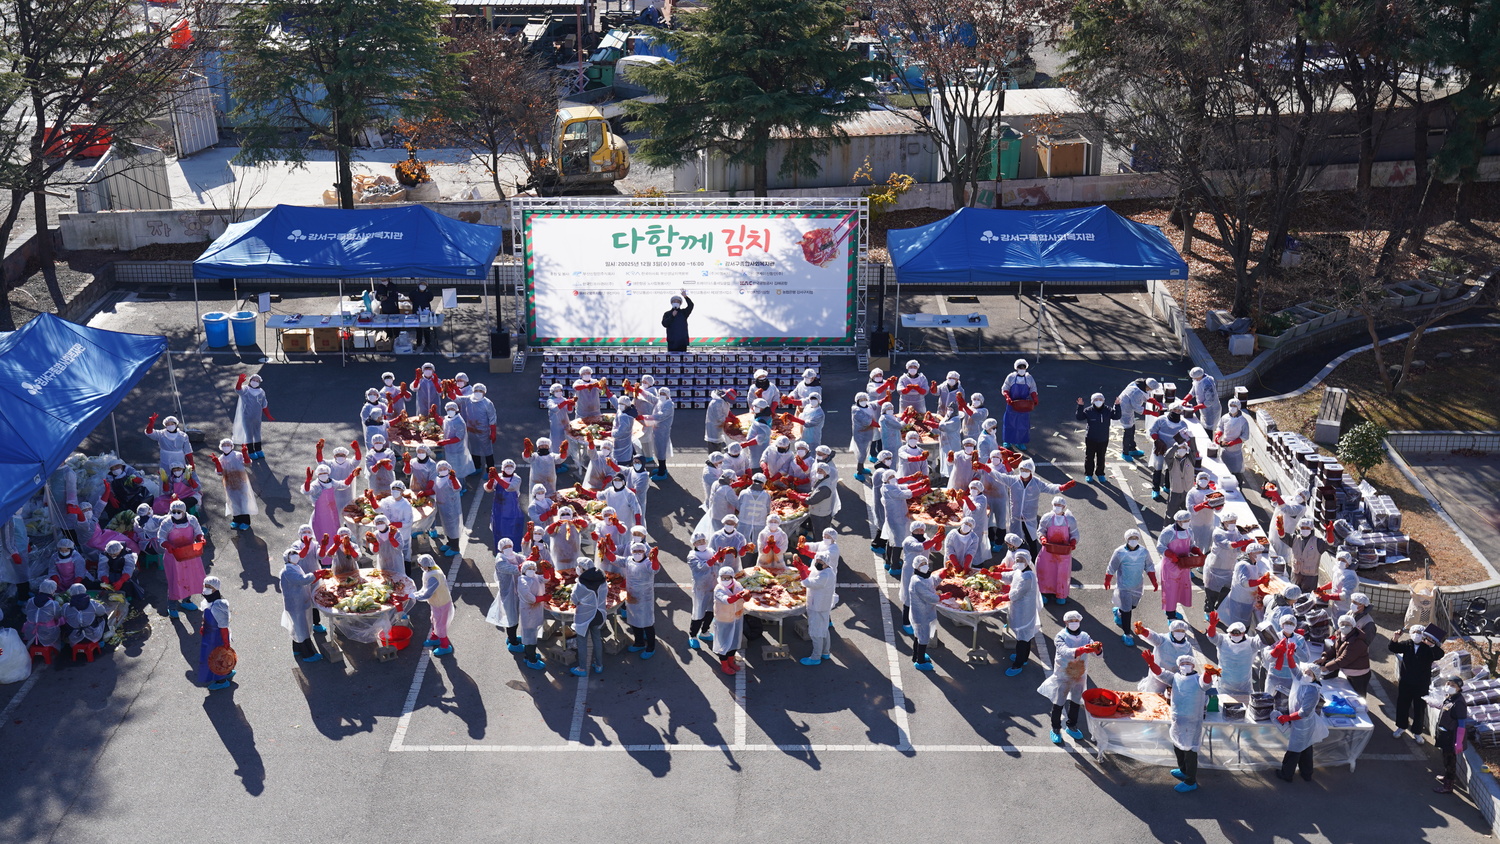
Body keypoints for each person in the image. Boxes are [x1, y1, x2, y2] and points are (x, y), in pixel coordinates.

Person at [1143, 652, 1215, 793]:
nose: (1185, 666)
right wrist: (1151, 664)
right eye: (1182, 664)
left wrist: (1208, 674)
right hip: (1178, 721)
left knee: (1189, 751)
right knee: (1178, 746)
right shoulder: (1175, 678)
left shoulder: (1198, 679)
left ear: (1193, 666)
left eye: (1188, 664)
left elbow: (1205, 683)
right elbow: (1161, 674)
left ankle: (1190, 781)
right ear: (1178, 666)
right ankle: (1183, 770)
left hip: (1192, 723)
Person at [1039, 610, 1103, 743]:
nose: (1073, 623)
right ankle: (1055, 728)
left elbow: (1097, 654)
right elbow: (1065, 652)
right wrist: (1083, 649)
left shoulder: (1085, 636)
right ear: (1065, 623)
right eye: (1071, 621)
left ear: (1079, 621)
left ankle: (1071, 726)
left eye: (1076, 621)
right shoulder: (1060, 636)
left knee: (1075, 702)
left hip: (1080, 675)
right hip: (1064, 675)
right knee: (1059, 702)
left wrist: (1098, 649)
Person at [1002, 459, 1074, 556]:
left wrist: (1061, 487)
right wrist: (985, 467)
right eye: (1022, 469)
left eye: (1027, 470)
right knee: (1014, 541)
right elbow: (999, 476)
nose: (1024, 472)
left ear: (1031, 471)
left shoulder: (1036, 483)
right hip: (1016, 518)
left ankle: (1033, 561)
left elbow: (1049, 487)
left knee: (1031, 541)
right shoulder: (1014, 480)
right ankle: (1015, 560)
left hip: (1029, 519)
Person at [1275, 663, 1330, 783]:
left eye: (1309, 673)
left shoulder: (1312, 691)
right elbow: (1296, 671)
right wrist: (1290, 657)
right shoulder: (1305, 681)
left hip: (1303, 725)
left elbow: (1303, 712)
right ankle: (1306, 773)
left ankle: (1286, 774)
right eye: (1305, 672)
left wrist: (1287, 718)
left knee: (1294, 750)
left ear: (1315, 676)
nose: (1306, 674)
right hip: (1302, 724)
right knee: (1306, 748)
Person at [1104, 529, 1158, 645]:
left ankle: (1118, 612)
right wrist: (1107, 580)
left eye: (1135, 538)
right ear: (1126, 539)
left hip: (1137, 585)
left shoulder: (1143, 552)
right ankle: (1127, 633)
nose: (1133, 540)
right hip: (1124, 586)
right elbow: (1112, 567)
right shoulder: (1119, 552)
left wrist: (1154, 581)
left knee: (1132, 606)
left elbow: (1149, 566)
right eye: (1131, 538)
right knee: (1127, 611)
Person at [1392, 625, 1443, 741]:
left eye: (1419, 632)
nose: (1417, 634)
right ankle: (1401, 726)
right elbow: (1393, 648)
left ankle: (1417, 732)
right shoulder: (1407, 644)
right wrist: (1395, 638)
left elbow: (1440, 654)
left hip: (1421, 684)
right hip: (1406, 682)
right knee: (1402, 705)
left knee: (1419, 708)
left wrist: (1432, 645)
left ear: (1424, 634)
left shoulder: (1427, 648)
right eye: (1414, 632)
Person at [158, 501, 205, 618]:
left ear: (184, 512)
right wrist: (168, 545)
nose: (176, 514)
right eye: (173, 512)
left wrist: (201, 538)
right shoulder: (167, 523)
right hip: (173, 557)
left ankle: (186, 601)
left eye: (179, 512)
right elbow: (161, 537)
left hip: (189, 554)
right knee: (175, 581)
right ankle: (172, 606)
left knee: (190, 579)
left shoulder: (192, 520)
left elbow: (198, 531)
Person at [794, 552, 838, 666]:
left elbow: (808, 582)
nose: (818, 563)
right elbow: (811, 572)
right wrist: (802, 566)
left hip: (818, 606)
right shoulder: (825, 570)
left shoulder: (826, 576)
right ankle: (825, 652)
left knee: (816, 632)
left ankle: (815, 657)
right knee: (824, 629)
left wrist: (801, 570)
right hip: (822, 605)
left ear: (826, 563)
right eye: (817, 561)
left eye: (820, 562)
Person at [1004, 550, 1043, 676]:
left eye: (1022, 561)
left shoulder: (1028, 577)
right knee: (1024, 637)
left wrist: (1001, 598)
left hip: (1025, 613)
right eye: (1017, 560)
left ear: (1027, 562)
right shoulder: (1019, 571)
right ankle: (1023, 658)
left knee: (1023, 638)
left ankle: (1018, 664)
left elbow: (1016, 594)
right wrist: (993, 574)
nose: (1019, 563)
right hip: (1020, 611)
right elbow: (1009, 576)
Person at [279, 547, 322, 663]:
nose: (295, 555)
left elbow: (304, 581)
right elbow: (302, 580)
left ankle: (297, 649)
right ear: (287, 558)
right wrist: (315, 574)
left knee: (298, 628)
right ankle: (307, 654)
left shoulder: (295, 566)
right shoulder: (288, 570)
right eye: (291, 554)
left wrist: (316, 576)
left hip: (300, 601)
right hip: (296, 605)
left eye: (295, 553)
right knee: (302, 629)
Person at [569, 558, 610, 677]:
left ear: (582, 569)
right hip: (599, 614)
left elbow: (574, 600)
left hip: (585, 618)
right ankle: (599, 665)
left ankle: (582, 668)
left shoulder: (580, 585)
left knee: (582, 642)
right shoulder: (603, 580)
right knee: (597, 639)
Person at [1204, 512, 1249, 618]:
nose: (1233, 524)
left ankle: (1219, 609)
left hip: (1229, 566)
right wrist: (1242, 543)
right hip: (1216, 567)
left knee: (1225, 591)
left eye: (1234, 521)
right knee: (1212, 592)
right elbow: (1228, 545)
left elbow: (1238, 547)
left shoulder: (1236, 531)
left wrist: (1246, 546)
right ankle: (1208, 610)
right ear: (1223, 522)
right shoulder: (1217, 533)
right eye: (1230, 522)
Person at [1035, 497, 1079, 605]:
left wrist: (1073, 541)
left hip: (1063, 553)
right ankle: (1044, 592)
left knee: (1062, 574)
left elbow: (1074, 533)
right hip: (1048, 551)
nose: (1057, 507)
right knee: (1045, 572)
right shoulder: (1047, 518)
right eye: (1055, 504)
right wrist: (1042, 538)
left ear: (1064, 507)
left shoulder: (1070, 520)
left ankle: (1061, 594)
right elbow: (1041, 530)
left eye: (1060, 505)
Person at [1135, 619, 1198, 694]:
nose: (1180, 633)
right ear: (1172, 630)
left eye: (1182, 631)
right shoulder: (1163, 640)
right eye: (1177, 630)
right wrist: (1143, 631)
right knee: (1154, 693)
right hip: (1158, 672)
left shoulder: (1187, 646)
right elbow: (1153, 637)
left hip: (1174, 677)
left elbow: (1191, 660)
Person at [484, 538, 525, 653]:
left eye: (509, 546)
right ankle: (512, 642)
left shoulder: (516, 556)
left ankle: (512, 638)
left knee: (515, 616)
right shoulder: (500, 561)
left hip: (517, 591)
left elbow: (524, 559)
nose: (508, 549)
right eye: (505, 547)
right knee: (511, 618)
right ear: (501, 549)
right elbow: (514, 570)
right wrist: (526, 567)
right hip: (508, 593)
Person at [1156, 510, 1198, 621]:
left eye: (1188, 520)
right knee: (1170, 590)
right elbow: (1160, 546)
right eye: (1184, 521)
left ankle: (1172, 609)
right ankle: (1170, 615)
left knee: (1180, 589)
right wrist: (1170, 554)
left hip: (1183, 565)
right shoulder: (1168, 532)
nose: (1187, 523)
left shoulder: (1189, 531)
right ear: (1178, 521)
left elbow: (1191, 544)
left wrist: (1195, 550)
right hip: (1171, 567)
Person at [622, 543, 661, 659]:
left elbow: (655, 569)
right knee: (634, 620)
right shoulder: (628, 560)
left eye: (640, 550)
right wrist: (606, 551)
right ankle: (639, 642)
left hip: (645, 598)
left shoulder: (648, 563)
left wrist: (655, 559)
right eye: (635, 551)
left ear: (644, 552)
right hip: (632, 597)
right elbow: (616, 560)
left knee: (647, 623)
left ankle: (651, 647)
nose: (638, 553)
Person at [1317, 614, 1371, 696]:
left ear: (1353, 626)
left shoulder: (1356, 641)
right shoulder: (1340, 634)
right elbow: (1335, 648)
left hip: (1359, 674)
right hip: (1348, 671)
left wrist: (1326, 667)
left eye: (1348, 624)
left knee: (1358, 697)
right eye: (1342, 624)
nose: (1345, 626)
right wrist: (1325, 657)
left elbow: (1344, 659)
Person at [211, 439, 258, 532]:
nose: (226, 446)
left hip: (241, 483)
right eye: (224, 445)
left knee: (243, 502)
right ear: (221, 447)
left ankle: (246, 522)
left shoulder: (237, 455)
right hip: (229, 484)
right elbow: (220, 472)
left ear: (232, 446)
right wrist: (217, 463)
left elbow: (248, 463)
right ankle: (236, 520)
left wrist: (245, 453)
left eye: (228, 444)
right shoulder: (221, 459)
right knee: (233, 502)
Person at [411, 554, 454, 656]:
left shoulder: (433, 576)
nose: (420, 567)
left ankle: (445, 646)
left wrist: (413, 596)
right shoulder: (431, 570)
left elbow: (427, 593)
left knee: (440, 625)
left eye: (420, 565)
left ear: (425, 565)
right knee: (434, 619)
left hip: (441, 603)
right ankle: (434, 638)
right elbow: (425, 588)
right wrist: (415, 594)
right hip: (436, 603)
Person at [1433, 676, 1470, 794]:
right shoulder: (1450, 698)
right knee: (1445, 758)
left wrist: (1458, 741)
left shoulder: (1459, 703)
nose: (1449, 687)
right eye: (1448, 684)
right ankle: (1446, 777)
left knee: (1450, 761)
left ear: (1459, 688)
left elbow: (1462, 723)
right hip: (1445, 734)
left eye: (1453, 685)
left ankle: (1448, 786)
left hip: (1451, 737)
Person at [1221, 542, 1269, 630]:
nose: (1260, 555)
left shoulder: (1253, 563)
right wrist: (1260, 581)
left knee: (1244, 620)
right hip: (1240, 598)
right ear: (1251, 553)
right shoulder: (1243, 565)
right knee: (1238, 621)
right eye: (1258, 553)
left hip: (1247, 597)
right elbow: (1244, 582)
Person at [1147, 402, 1189, 501]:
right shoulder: (1161, 420)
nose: (1177, 412)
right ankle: (1155, 488)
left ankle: (1167, 486)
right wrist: (1157, 440)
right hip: (1160, 450)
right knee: (1158, 469)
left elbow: (1185, 438)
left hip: (1173, 451)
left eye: (1179, 411)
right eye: (1175, 410)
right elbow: (1152, 431)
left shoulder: (1183, 424)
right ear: (1170, 410)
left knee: (1170, 469)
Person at [198, 576, 234, 691]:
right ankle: (227, 672)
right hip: (210, 636)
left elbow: (224, 627)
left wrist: (226, 643)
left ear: (215, 589)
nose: (206, 589)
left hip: (217, 637)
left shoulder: (218, 606)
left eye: (209, 587)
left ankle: (221, 680)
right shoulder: (208, 602)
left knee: (217, 658)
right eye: (205, 586)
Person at [1207, 616, 1257, 698]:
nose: (1235, 635)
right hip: (1224, 685)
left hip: (1244, 687)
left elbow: (1264, 641)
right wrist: (1212, 626)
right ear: (1229, 633)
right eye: (1233, 633)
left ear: (1243, 633)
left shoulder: (1251, 643)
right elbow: (1212, 637)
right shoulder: (1222, 640)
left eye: (1238, 633)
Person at [712, 565, 749, 674]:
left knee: (733, 641)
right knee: (724, 644)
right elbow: (726, 600)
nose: (725, 580)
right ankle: (724, 665)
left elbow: (743, 592)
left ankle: (731, 661)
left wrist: (746, 594)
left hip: (736, 618)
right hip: (723, 620)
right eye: (723, 578)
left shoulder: (737, 585)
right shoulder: (718, 589)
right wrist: (738, 596)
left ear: (732, 577)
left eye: (728, 577)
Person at [1076, 393, 1121, 482]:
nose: (1098, 401)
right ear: (1092, 401)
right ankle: (1089, 474)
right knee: (1089, 457)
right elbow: (1079, 417)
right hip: (1090, 438)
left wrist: (1117, 405)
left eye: (1100, 399)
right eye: (1096, 400)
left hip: (1103, 439)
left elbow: (1117, 416)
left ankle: (1100, 474)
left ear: (1103, 400)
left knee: (1101, 457)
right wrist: (1080, 406)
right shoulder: (1088, 410)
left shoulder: (1108, 410)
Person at [908, 556, 941, 671]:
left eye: (925, 563)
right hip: (920, 616)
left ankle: (916, 655)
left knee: (919, 636)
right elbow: (929, 597)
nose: (924, 566)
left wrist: (942, 575)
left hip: (927, 613)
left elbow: (933, 580)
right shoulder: (917, 581)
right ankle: (920, 661)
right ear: (916, 567)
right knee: (923, 638)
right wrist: (941, 597)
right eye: (921, 565)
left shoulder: (926, 576)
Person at [1263, 616, 1311, 694]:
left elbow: (1306, 658)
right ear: (1282, 625)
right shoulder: (1275, 637)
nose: (1289, 625)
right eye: (1286, 623)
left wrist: (1296, 648)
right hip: (1274, 675)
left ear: (1295, 625)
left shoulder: (1299, 639)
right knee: (1269, 700)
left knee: (1287, 702)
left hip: (1291, 677)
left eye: (1291, 623)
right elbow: (1268, 657)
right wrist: (1276, 650)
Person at [485, 462, 526, 551]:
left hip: (512, 509)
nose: (509, 468)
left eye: (511, 466)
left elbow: (510, 487)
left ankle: (514, 551)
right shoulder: (498, 476)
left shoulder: (517, 479)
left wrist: (497, 478)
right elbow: (488, 489)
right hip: (498, 509)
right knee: (499, 531)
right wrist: (491, 480)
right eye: (507, 466)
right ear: (503, 468)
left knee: (514, 531)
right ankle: (500, 551)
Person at [1115, 377, 1157, 461]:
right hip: (1124, 411)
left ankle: (1132, 448)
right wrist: (1152, 413)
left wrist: (1154, 401)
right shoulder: (1136, 392)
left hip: (1128, 410)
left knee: (1132, 429)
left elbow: (1145, 397)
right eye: (1151, 389)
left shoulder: (1139, 384)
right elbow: (1137, 408)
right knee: (1128, 431)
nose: (1151, 391)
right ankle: (1125, 452)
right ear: (1148, 386)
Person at [1000, 359, 1038, 450]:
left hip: (1024, 405)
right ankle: (1007, 441)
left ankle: (1020, 442)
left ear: (1026, 367)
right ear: (1016, 368)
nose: (1022, 369)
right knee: (1009, 423)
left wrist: (1035, 397)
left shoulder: (1029, 378)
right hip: (1012, 404)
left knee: (1023, 425)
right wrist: (1007, 397)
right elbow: (1005, 388)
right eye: (1020, 367)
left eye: (1023, 367)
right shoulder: (1011, 377)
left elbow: (1033, 389)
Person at [516, 560, 547, 670]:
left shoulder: (535, 577)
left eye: (533, 569)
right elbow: (530, 598)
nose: (531, 571)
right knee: (529, 637)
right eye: (529, 569)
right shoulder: (522, 582)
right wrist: (544, 598)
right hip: (528, 612)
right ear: (524, 570)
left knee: (532, 635)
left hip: (535, 611)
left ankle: (529, 655)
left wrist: (547, 570)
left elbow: (545, 579)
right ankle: (531, 660)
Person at [232, 374, 272, 460]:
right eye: (253, 380)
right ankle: (251, 451)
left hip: (257, 417)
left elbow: (264, 404)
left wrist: (268, 415)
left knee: (257, 433)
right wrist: (239, 382)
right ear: (250, 381)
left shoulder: (261, 392)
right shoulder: (246, 389)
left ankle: (258, 450)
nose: (255, 382)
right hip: (246, 416)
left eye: (257, 381)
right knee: (249, 434)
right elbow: (238, 390)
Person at [62, 582, 108, 655]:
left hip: (74, 637)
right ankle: (101, 641)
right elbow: (102, 612)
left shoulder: (66, 607)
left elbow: (63, 616)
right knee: (103, 616)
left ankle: (64, 641)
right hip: (92, 635)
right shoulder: (92, 603)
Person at [462, 383, 498, 473]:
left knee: (487, 451)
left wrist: (493, 431)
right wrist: (451, 390)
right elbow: (457, 399)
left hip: (484, 431)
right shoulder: (468, 399)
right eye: (476, 391)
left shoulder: (487, 403)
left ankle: (490, 470)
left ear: (484, 392)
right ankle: (477, 466)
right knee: (474, 449)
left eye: (480, 391)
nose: (478, 392)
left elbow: (492, 417)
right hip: (471, 430)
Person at [97, 540, 145, 607]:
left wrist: (121, 580)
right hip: (113, 571)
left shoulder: (127, 554)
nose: (112, 555)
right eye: (110, 554)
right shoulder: (104, 555)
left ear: (120, 550)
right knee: (110, 583)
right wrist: (104, 578)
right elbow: (103, 567)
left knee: (128, 583)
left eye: (114, 554)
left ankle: (129, 597)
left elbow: (129, 568)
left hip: (126, 573)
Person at [22, 579, 63, 656]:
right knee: (61, 622)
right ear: (52, 590)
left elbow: (27, 613)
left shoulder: (30, 601)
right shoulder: (53, 604)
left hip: (30, 633)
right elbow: (58, 617)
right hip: (48, 635)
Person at [432, 461, 464, 557]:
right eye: (440, 469)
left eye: (445, 469)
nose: (443, 470)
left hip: (452, 507)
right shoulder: (437, 479)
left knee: (453, 527)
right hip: (443, 507)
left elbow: (458, 488)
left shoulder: (451, 479)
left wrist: (453, 479)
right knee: (446, 526)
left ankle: (455, 547)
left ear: (449, 469)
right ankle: (450, 542)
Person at [1214, 399, 1250, 476]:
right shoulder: (1225, 417)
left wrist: (1233, 443)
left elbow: (1245, 436)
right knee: (1223, 466)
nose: (1232, 408)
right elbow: (1220, 427)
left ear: (1238, 407)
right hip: (1224, 447)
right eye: (1231, 406)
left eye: (1234, 406)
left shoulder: (1243, 421)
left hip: (1235, 449)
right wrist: (1218, 435)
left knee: (1236, 469)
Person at [1184, 472, 1219, 552]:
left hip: (1208, 522)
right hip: (1195, 522)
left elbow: (1217, 509)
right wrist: (1202, 505)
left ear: (1208, 480)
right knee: (1194, 541)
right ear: (1197, 480)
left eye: (1205, 478)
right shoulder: (1191, 492)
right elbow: (1190, 508)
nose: (1203, 480)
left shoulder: (1213, 493)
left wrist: (1219, 505)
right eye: (1201, 478)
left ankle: (1204, 556)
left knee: (1206, 541)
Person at [1287, 517, 1321, 592]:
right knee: (1294, 594)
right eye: (1302, 528)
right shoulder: (1294, 539)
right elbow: (1282, 536)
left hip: (1310, 577)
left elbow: (1329, 543)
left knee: (1308, 597)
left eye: (1307, 528)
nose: (1305, 530)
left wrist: (1330, 533)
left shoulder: (1317, 542)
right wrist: (1280, 528)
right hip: (1296, 574)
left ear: (1311, 529)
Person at [1187, 366, 1220, 431]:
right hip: (1203, 408)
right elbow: (1193, 391)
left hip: (1211, 410)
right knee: (1203, 425)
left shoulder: (1207, 384)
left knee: (1209, 428)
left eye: (1196, 378)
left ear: (1201, 375)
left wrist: (1196, 407)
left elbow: (1209, 402)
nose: (1194, 379)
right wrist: (1185, 400)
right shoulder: (1197, 380)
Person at [407, 281, 436, 349]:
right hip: (416, 310)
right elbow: (411, 298)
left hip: (426, 311)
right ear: (418, 285)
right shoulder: (414, 292)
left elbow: (430, 298)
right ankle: (419, 342)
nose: (423, 286)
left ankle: (428, 342)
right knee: (418, 327)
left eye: (424, 285)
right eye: (421, 284)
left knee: (426, 327)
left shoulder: (428, 293)